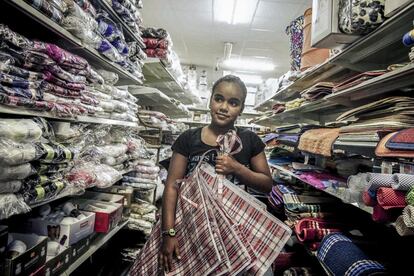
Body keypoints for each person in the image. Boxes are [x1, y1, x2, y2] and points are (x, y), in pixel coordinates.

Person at [159, 75, 273, 272]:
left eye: (233, 102)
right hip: (192, 227)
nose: (223, 107)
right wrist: (168, 233)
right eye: (218, 99)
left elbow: (266, 184)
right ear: (210, 100)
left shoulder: (249, 140)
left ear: (241, 109)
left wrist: (237, 168)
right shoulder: (188, 139)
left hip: (234, 230)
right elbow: (171, 186)